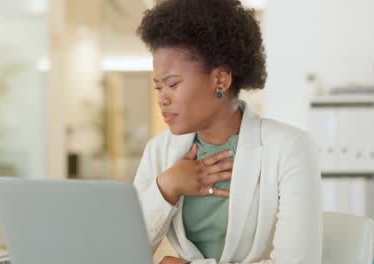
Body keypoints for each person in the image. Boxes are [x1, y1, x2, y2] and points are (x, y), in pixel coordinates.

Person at [133, 0, 322, 263]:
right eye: (158, 87)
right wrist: (167, 187)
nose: (162, 99)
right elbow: (124, 251)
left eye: (172, 84)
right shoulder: (159, 150)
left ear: (220, 79)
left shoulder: (290, 148)